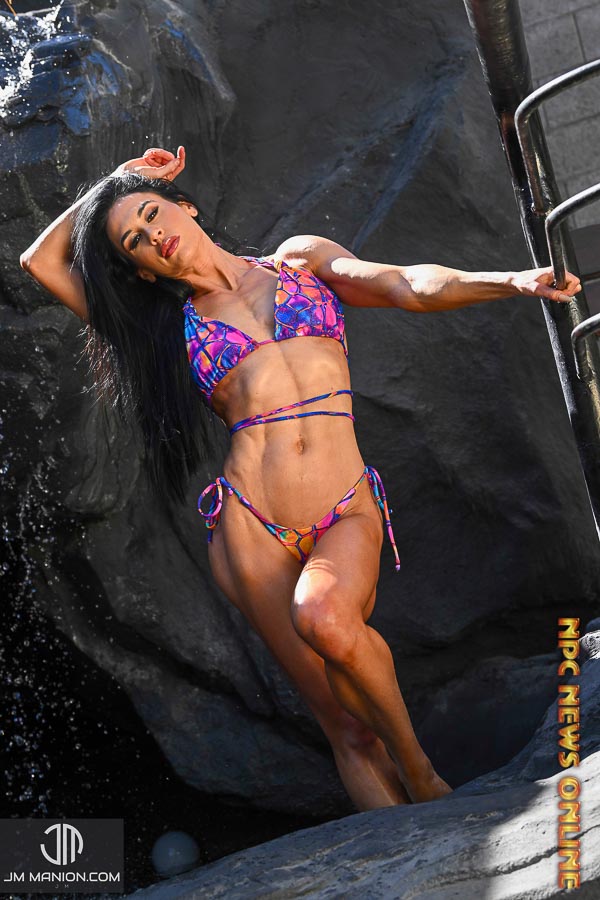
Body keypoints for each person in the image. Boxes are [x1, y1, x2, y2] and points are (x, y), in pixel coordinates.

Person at [19, 145, 582, 812]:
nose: (152, 235)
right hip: (252, 529)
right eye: (134, 242)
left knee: (325, 616)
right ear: (139, 270)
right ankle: (413, 831)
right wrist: (117, 185)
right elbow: (40, 261)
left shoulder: (300, 262)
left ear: (185, 206)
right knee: (346, 727)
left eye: (151, 214)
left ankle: (419, 770)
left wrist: (511, 280)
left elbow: (404, 284)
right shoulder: (163, 327)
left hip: (345, 505)